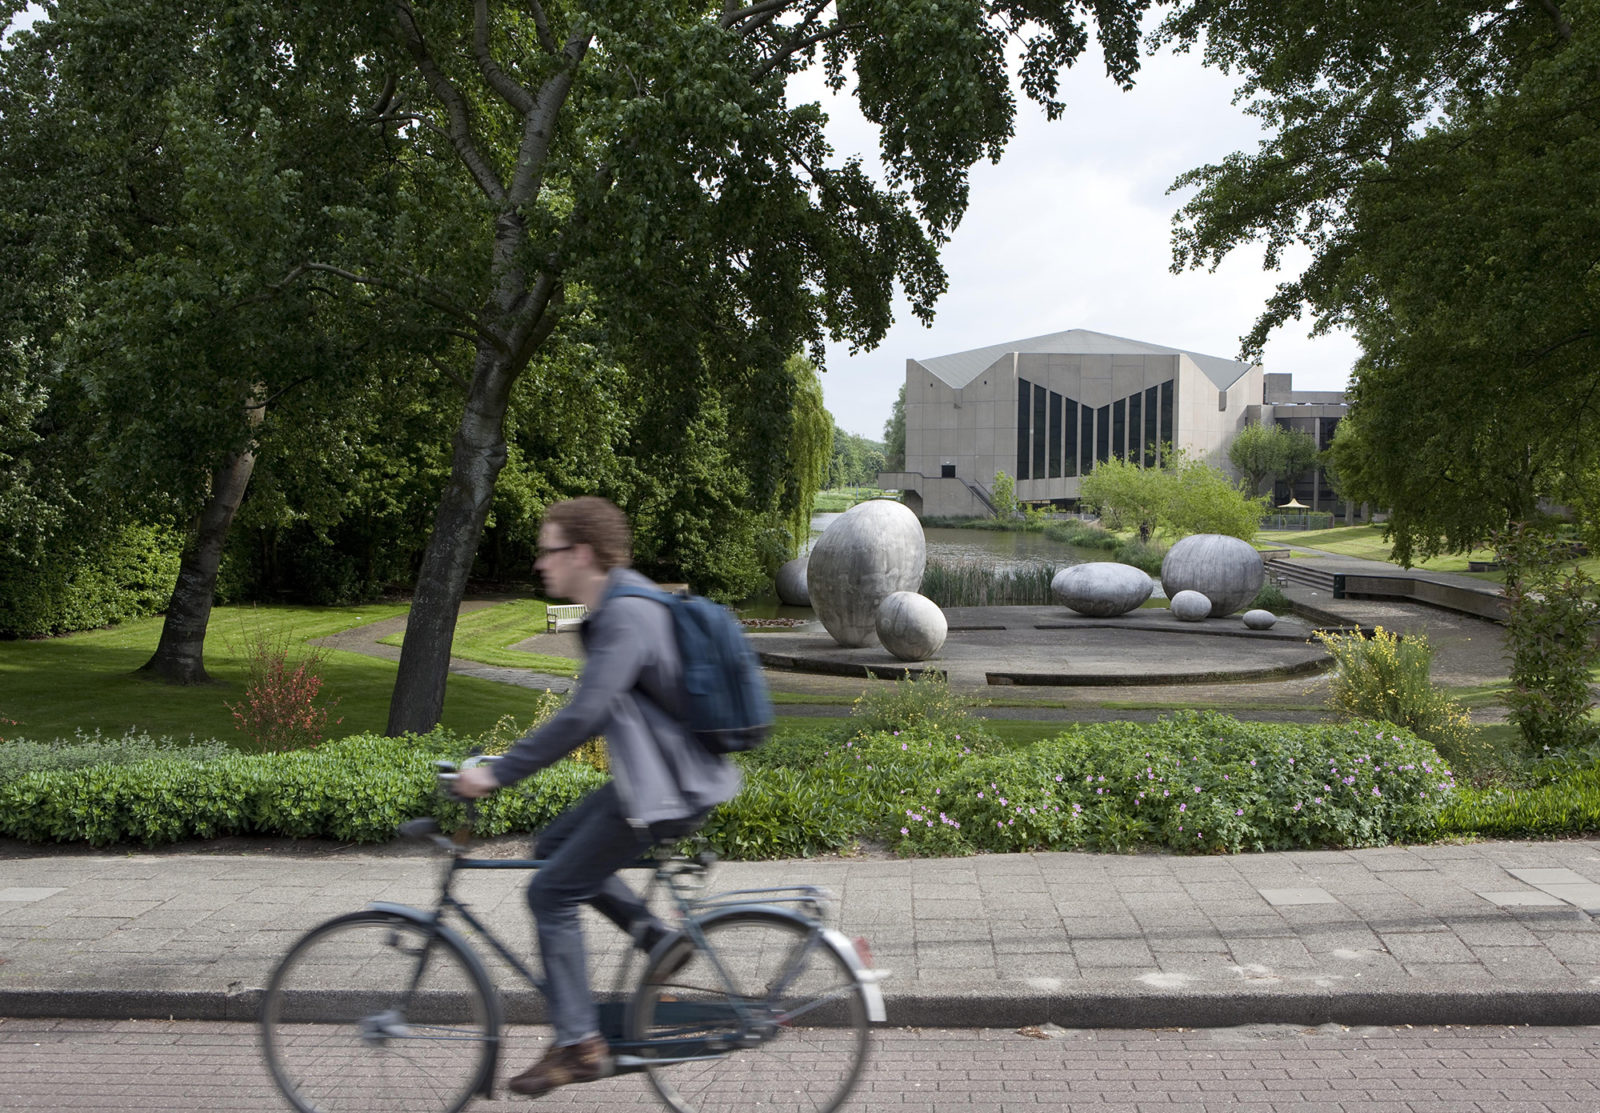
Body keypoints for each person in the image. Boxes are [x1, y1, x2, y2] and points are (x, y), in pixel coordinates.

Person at [453, 496, 741, 1097]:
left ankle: (579, 1044)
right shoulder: (620, 604)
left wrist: (498, 772)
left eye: (549, 550)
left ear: (581, 553)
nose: (540, 563)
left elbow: (584, 715)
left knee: (550, 891)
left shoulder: (626, 614)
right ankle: (658, 939)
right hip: (656, 779)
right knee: (552, 845)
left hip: (669, 790)